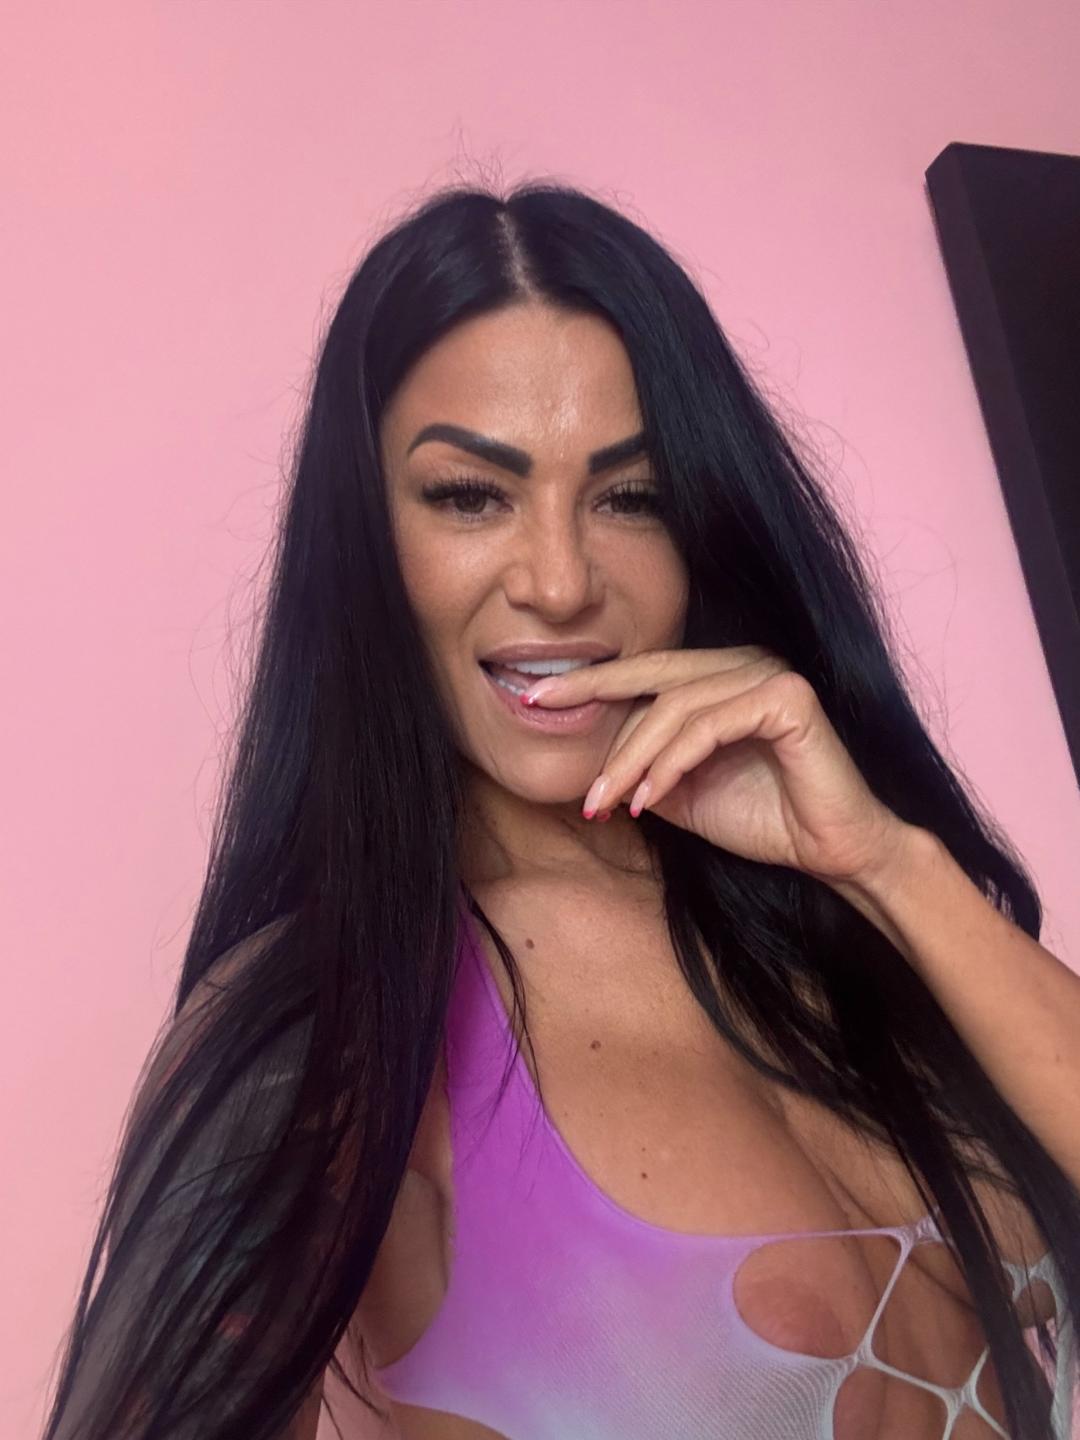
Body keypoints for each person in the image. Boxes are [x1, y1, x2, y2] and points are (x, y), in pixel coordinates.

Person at [40, 182, 1079, 1440]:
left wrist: (887, 866)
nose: (560, 580)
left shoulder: (870, 934)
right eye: (469, 496)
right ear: (368, 542)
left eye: (631, 497)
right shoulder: (327, 1024)